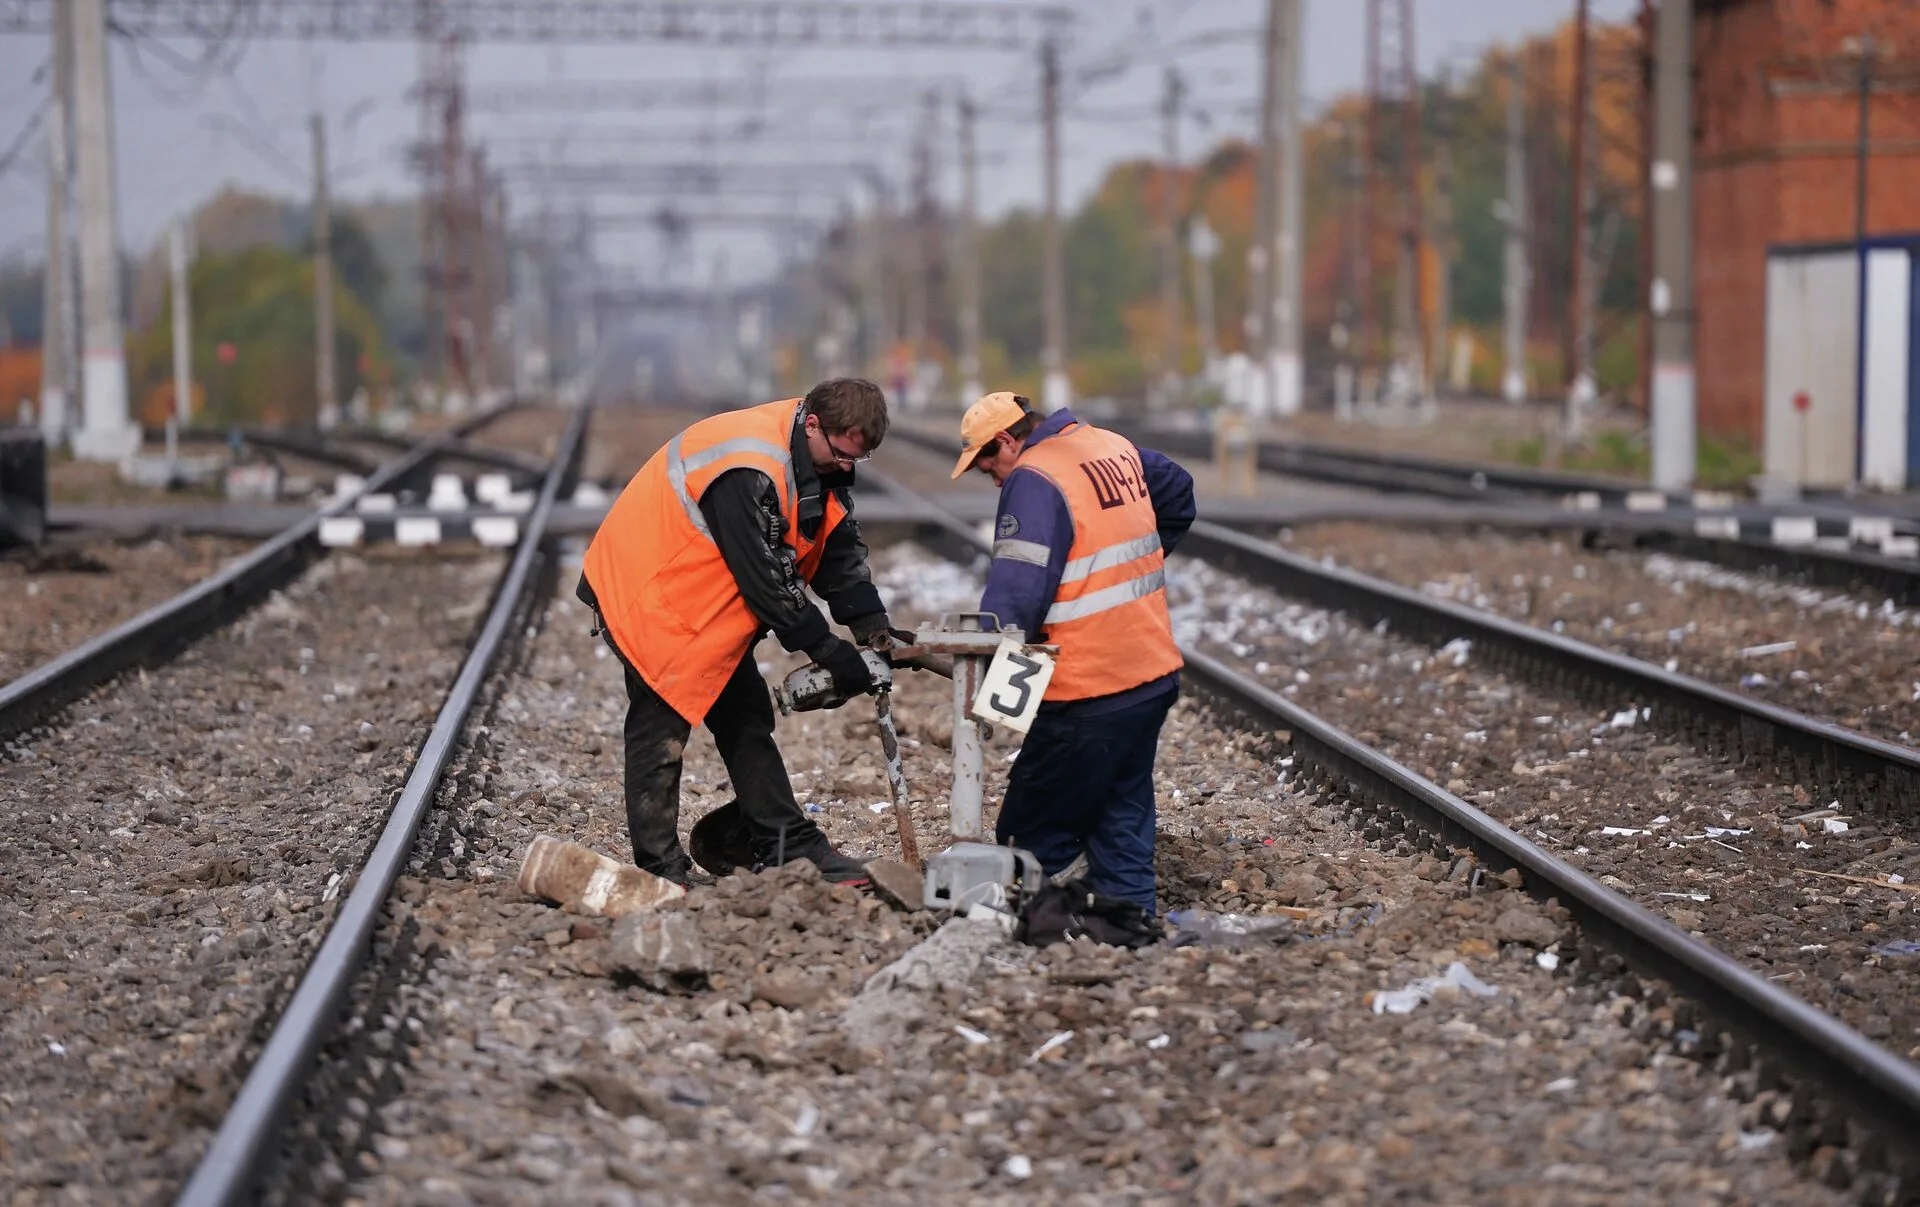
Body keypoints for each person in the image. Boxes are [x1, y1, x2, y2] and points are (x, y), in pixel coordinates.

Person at [577, 379, 913, 887]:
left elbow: (834, 544)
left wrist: (872, 625)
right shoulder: (747, 465)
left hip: (705, 597)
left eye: (856, 461)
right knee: (660, 732)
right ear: (814, 423)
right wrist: (823, 646)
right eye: (841, 455)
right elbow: (765, 575)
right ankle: (661, 871)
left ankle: (787, 845)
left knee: (746, 718)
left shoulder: (815, 459)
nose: (846, 467)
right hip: (653, 594)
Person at [951, 391, 1195, 914]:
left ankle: (1052, 926)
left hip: (1088, 687)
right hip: (1150, 673)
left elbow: (1016, 598)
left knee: (1029, 830)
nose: (992, 477)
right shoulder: (1106, 444)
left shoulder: (1033, 478)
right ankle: (1129, 924)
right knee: (1120, 814)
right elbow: (1178, 493)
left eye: (988, 462)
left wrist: (992, 699)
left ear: (1005, 440)